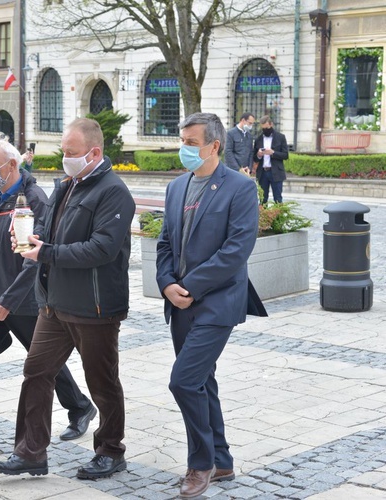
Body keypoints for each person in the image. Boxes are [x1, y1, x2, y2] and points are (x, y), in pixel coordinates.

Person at [0, 118, 134, 479]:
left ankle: (111, 451)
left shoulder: (113, 192)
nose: (65, 159)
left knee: (102, 382)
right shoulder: (68, 184)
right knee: (36, 372)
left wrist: (46, 252)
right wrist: (31, 240)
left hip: (95, 307)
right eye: (64, 151)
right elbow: (46, 227)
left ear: (94, 152)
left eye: (71, 153)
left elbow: (101, 249)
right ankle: (30, 452)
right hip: (54, 304)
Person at [0, 140, 96, 456]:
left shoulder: (33, 199)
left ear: (12, 164)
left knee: (41, 362)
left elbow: (33, 256)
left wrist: (10, 298)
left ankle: (80, 406)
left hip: (21, 298)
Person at [156, 112, 267, 499]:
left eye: (190, 142)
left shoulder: (239, 188)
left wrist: (187, 286)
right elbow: (165, 242)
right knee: (202, 381)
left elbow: (235, 251)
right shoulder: (176, 187)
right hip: (180, 303)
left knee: (183, 381)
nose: (183, 148)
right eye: (181, 140)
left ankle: (200, 464)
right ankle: (222, 460)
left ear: (213, 145)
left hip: (218, 302)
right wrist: (167, 283)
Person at [253, 115, 288, 204]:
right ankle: (263, 217)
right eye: (263, 129)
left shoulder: (280, 137)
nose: (265, 131)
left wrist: (273, 153)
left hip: (276, 171)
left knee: (278, 198)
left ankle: (278, 217)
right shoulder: (258, 139)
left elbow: (285, 155)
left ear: (271, 124)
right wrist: (259, 154)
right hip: (262, 172)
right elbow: (254, 157)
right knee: (262, 199)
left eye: (267, 128)